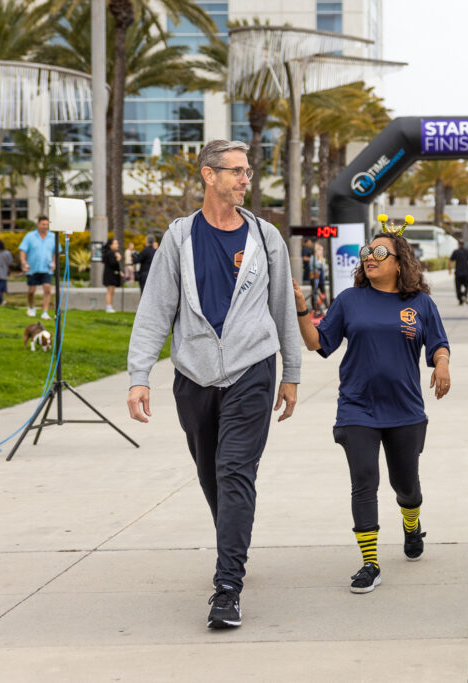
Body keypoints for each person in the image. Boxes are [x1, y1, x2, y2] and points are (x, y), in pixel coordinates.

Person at [126, 139, 300, 630]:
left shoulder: (267, 239)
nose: (247, 179)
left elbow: (283, 308)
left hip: (253, 370)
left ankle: (228, 588)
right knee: (211, 475)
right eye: (237, 171)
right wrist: (140, 376)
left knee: (234, 471)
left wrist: (292, 373)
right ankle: (233, 539)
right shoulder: (180, 237)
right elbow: (155, 309)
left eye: (248, 171)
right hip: (194, 375)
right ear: (209, 175)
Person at [292, 228, 450, 594]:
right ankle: (369, 563)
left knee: (405, 485)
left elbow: (438, 344)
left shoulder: (420, 303)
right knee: (364, 483)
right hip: (357, 408)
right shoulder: (350, 300)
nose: (370, 256)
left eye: (380, 251)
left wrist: (441, 364)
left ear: (400, 262)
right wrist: (301, 308)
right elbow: (319, 342)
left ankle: (411, 524)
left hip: (405, 410)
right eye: (367, 251)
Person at [18, 215, 56, 320]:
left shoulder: (53, 237)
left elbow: (55, 252)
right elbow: (22, 251)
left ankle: (45, 312)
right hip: (32, 268)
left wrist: (54, 262)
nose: (45, 226)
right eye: (43, 224)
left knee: (47, 289)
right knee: (31, 291)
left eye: (47, 224)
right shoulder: (29, 236)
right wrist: (24, 263)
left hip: (47, 268)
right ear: (38, 224)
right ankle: (31, 308)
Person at [448, 239, 468, 305]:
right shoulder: (467, 251)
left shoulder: (455, 252)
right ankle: (464, 296)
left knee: (458, 288)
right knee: (467, 286)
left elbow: (451, 262)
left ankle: (461, 299)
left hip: (458, 273)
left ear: (458, 244)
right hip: (466, 272)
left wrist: (450, 270)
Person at [102, 238, 122, 313]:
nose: (117, 245)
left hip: (111, 274)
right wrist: (118, 258)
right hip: (109, 275)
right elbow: (113, 264)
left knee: (111, 291)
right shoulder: (110, 253)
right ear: (111, 245)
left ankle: (110, 306)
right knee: (110, 291)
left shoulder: (111, 253)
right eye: (115, 243)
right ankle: (108, 307)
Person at [0, 239, 13, 306]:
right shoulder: (7, 253)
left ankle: (1, 300)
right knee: (1, 288)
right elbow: (10, 262)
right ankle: (1, 300)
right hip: (4, 273)